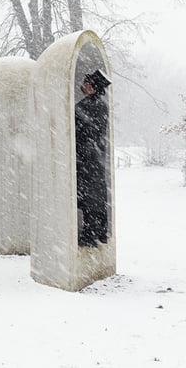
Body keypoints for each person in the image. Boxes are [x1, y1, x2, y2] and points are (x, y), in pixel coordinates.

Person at [75, 68, 111, 247]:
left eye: (87, 84)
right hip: (93, 157)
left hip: (87, 157)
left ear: (94, 87)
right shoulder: (99, 104)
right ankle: (98, 232)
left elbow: (84, 128)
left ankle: (90, 235)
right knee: (95, 198)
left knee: (90, 198)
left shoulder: (90, 105)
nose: (84, 86)